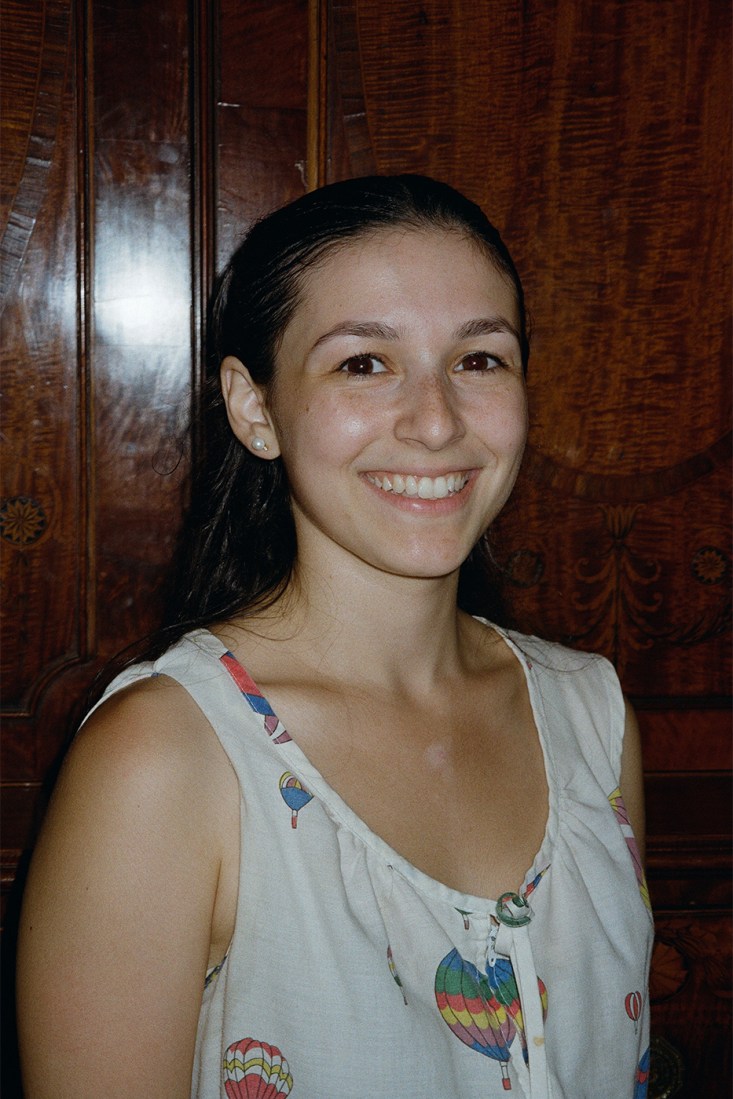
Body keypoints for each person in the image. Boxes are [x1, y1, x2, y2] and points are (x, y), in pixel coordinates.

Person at [16, 175, 652, 1098]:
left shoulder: (592, 715)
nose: (435, 421)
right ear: (255, 408)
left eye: (479, 359)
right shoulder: (165, 759)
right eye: (364, 362)